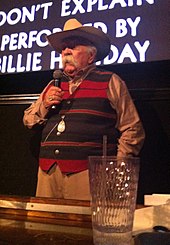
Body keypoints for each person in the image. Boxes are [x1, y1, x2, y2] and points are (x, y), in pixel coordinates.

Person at [23, 18, 145, 200]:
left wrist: (117, 168)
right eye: (64, 48)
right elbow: (29, 120)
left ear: (91, 55)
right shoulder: (53, 84)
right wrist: (45, 105)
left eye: (73, 46)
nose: (66, 51)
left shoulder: (110, 81)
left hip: (88, 175)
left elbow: (132, 129)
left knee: (84, 227)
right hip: (48, 173)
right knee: (45, 225)